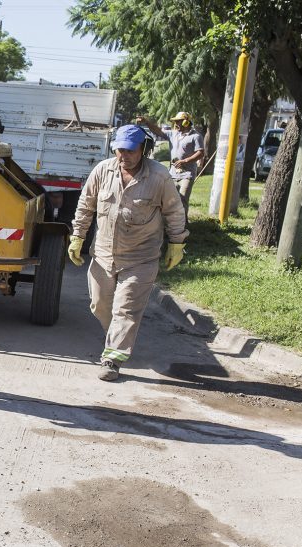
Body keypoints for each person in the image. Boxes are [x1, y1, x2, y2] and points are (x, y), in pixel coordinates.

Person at [67, 124, 188, 382]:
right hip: (103, 255)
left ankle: (112, 358)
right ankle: (117, 336)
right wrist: (77, 235)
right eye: (120, 149)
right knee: (100, 305)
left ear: (143, 149)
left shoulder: (159, 177)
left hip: (140, 258)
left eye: (130, 150)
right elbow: (85, 205)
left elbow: (174, 212)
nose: (124, 155)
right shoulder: (102, 170)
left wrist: (177, 242)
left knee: (126, 309)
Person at [136, 112, 205, 214]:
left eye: (178, 122)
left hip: (187, 175)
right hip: (173, 174)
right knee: (169, 200)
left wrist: (185, 161)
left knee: (182, 200)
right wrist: (146, 122)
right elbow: (157, 130)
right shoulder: (173, 134)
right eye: (175, 122)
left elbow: (200, 153)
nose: (176, 124)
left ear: (186, 122)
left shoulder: (195, 136)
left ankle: (182, 225)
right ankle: (169, 223)